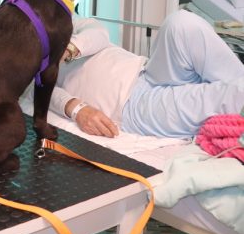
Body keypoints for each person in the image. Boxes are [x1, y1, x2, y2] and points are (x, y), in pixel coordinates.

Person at [51, 9, 244, 139]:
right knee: (231, 95)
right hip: (131, 104)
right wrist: (77, 109)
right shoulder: (33, 58)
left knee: (181, 22)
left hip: (145, 70)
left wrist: (68, 49)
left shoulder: (67, 22)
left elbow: (98, 33)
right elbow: (41, 92)